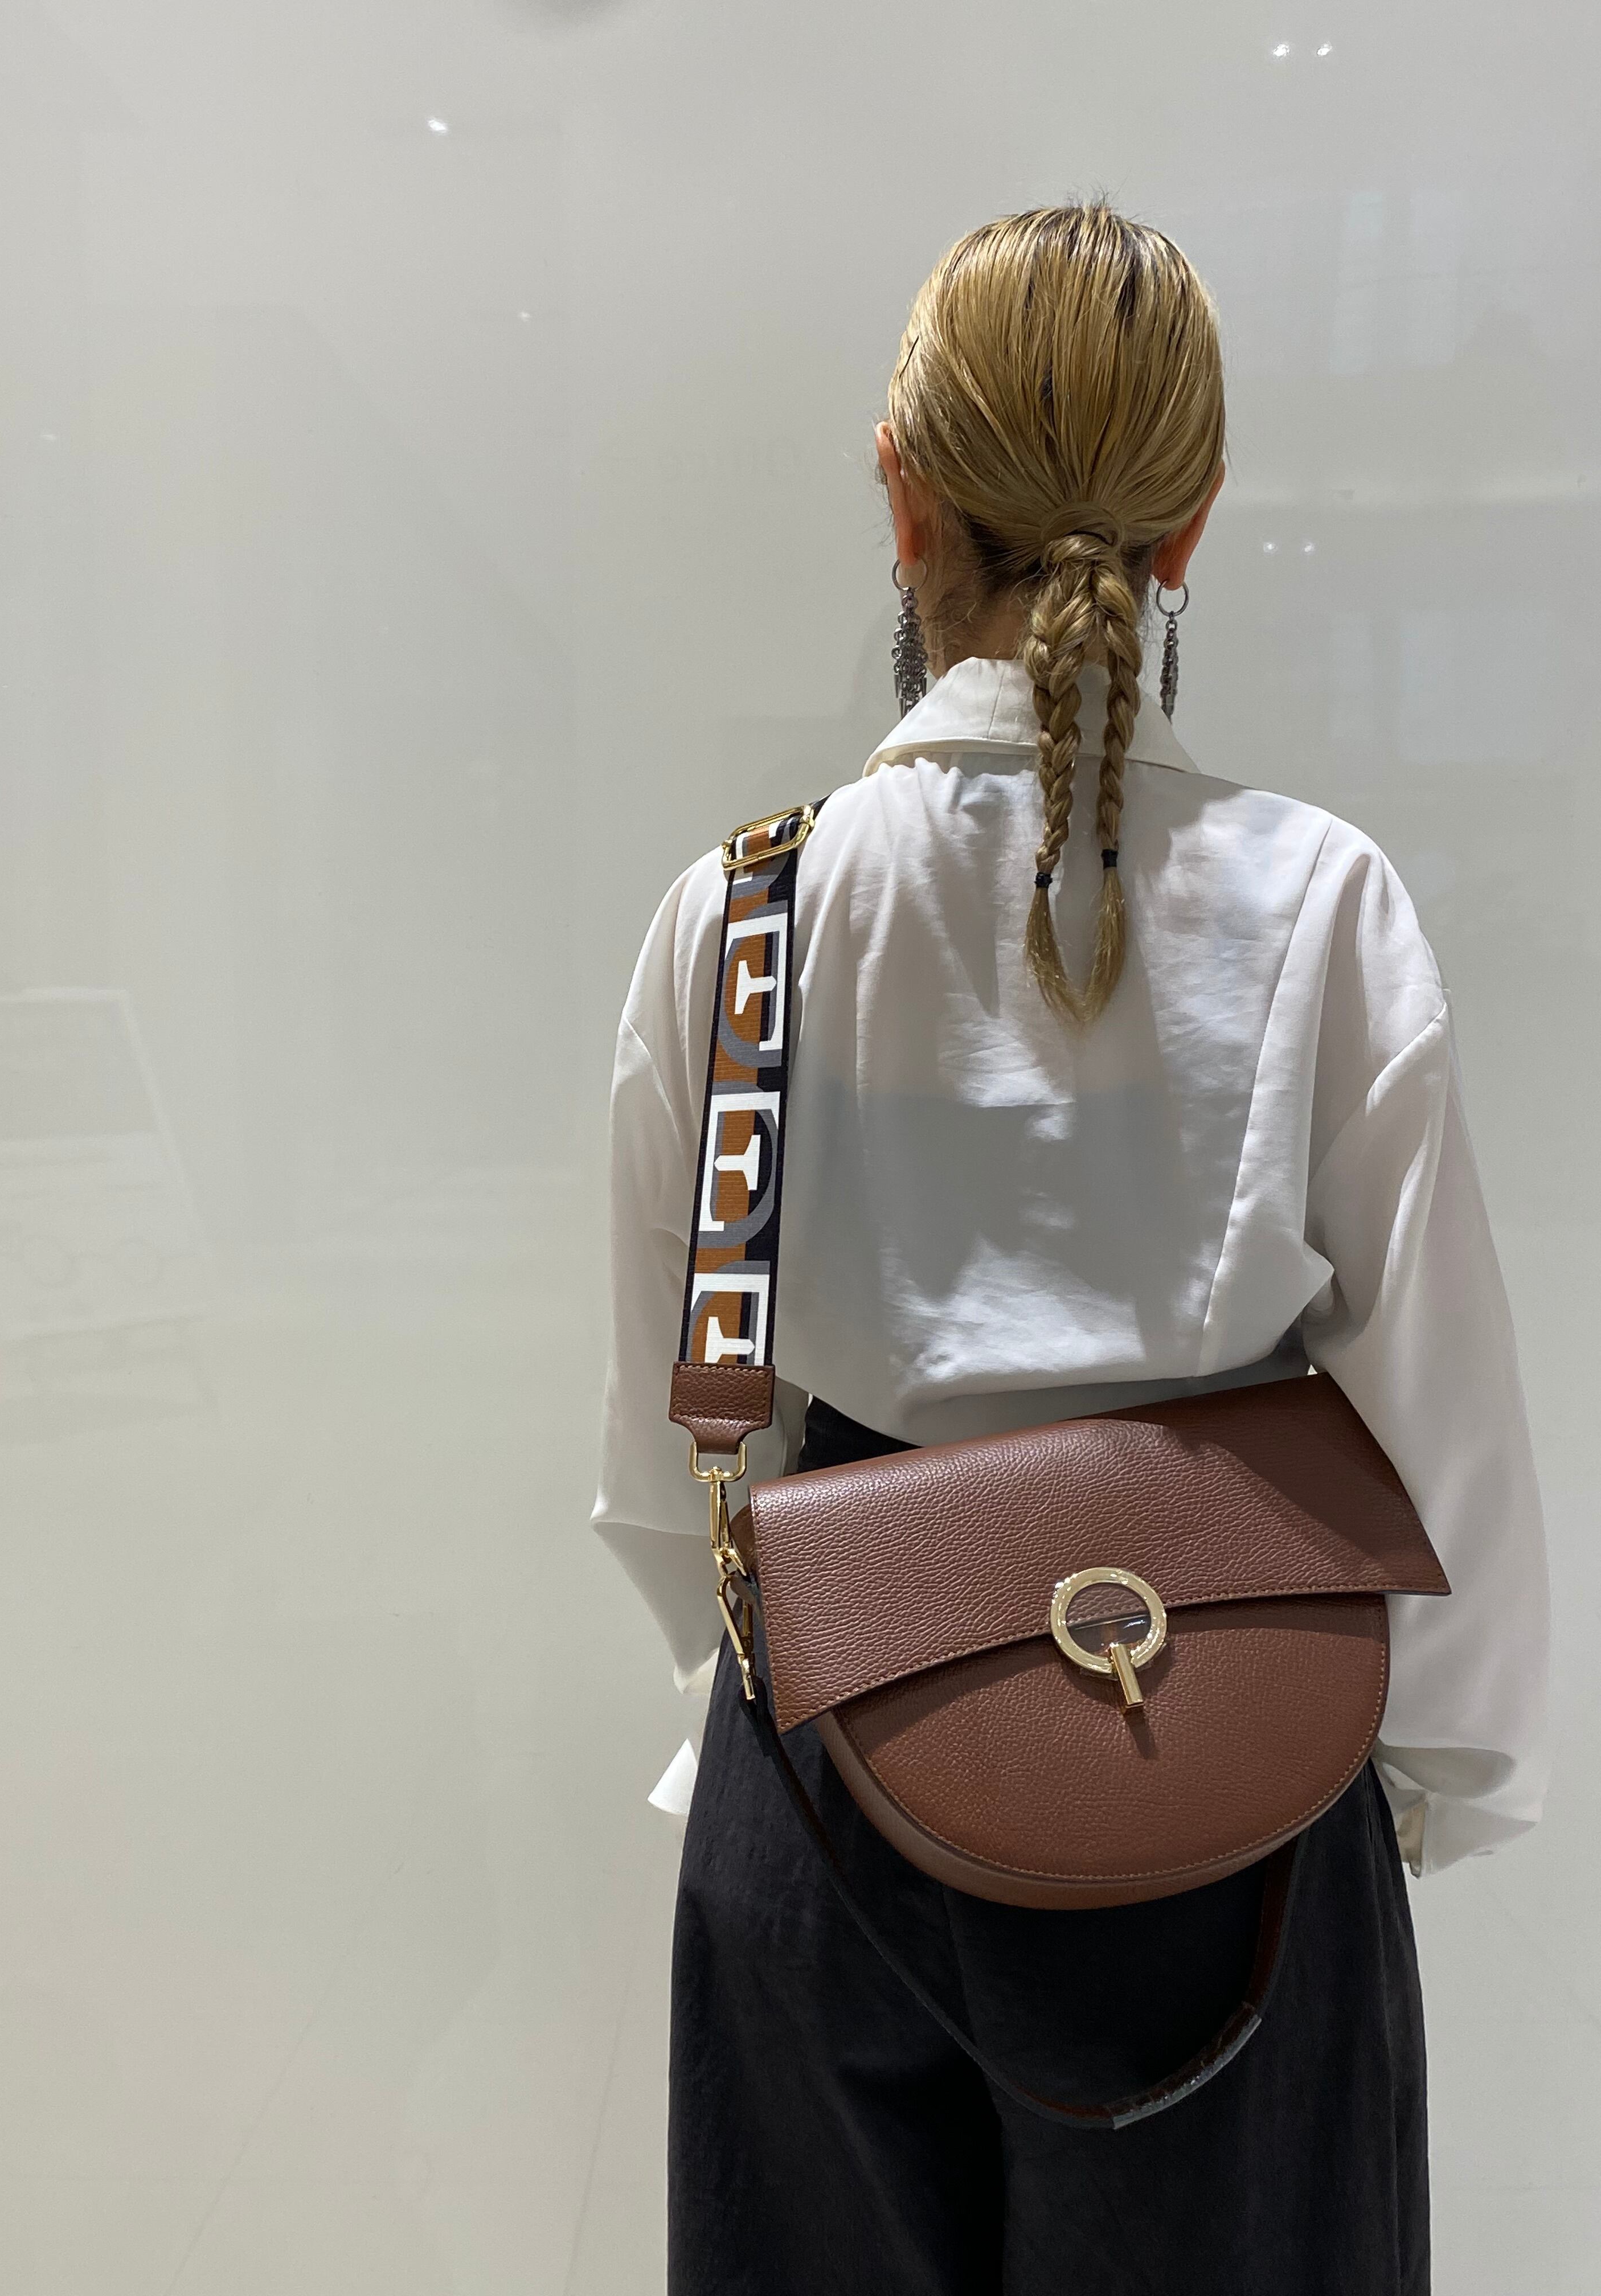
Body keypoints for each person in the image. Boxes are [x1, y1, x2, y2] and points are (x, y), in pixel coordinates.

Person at [590, 205, 1549, 2295]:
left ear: (901, 493)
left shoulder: (737, 918)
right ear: (1194, 525)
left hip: (820, 1781)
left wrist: (794, 1723)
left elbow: (670, 1463)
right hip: (1234, 1811)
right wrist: (1383, 1801)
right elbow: (1451, 1448)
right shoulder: (1320, 903)